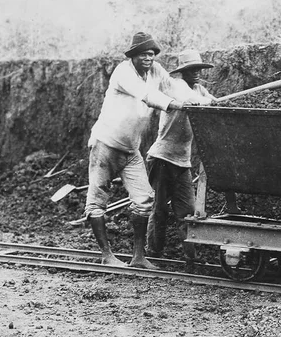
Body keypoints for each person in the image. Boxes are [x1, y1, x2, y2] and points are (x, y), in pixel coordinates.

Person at [84, 32, 205, 268]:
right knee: (97, 201)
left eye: (151, 54)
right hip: (106, 145)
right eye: (143, 55)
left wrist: (198, 101)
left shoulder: (157, 71)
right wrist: (175, 105)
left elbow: (174, 89)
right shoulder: (123, 72)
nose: (148, 58)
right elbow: (147, 95)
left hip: (131, 150)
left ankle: (139, 257)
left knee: (144, 200)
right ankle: (107, 255)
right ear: (133, 56)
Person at [145, 49, 215, 262]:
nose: (196, 73)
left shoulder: (200, 90)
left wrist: (219, 102)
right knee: (159, 209)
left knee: (188, 211)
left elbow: (215, 101)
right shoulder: (176, 86)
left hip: (182, 162)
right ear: (183, 72)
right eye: (191, 70)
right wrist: (208, 102)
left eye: (198, 70)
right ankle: (153, 253)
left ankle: (191, 256)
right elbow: (190, 100)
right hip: (162, 158)